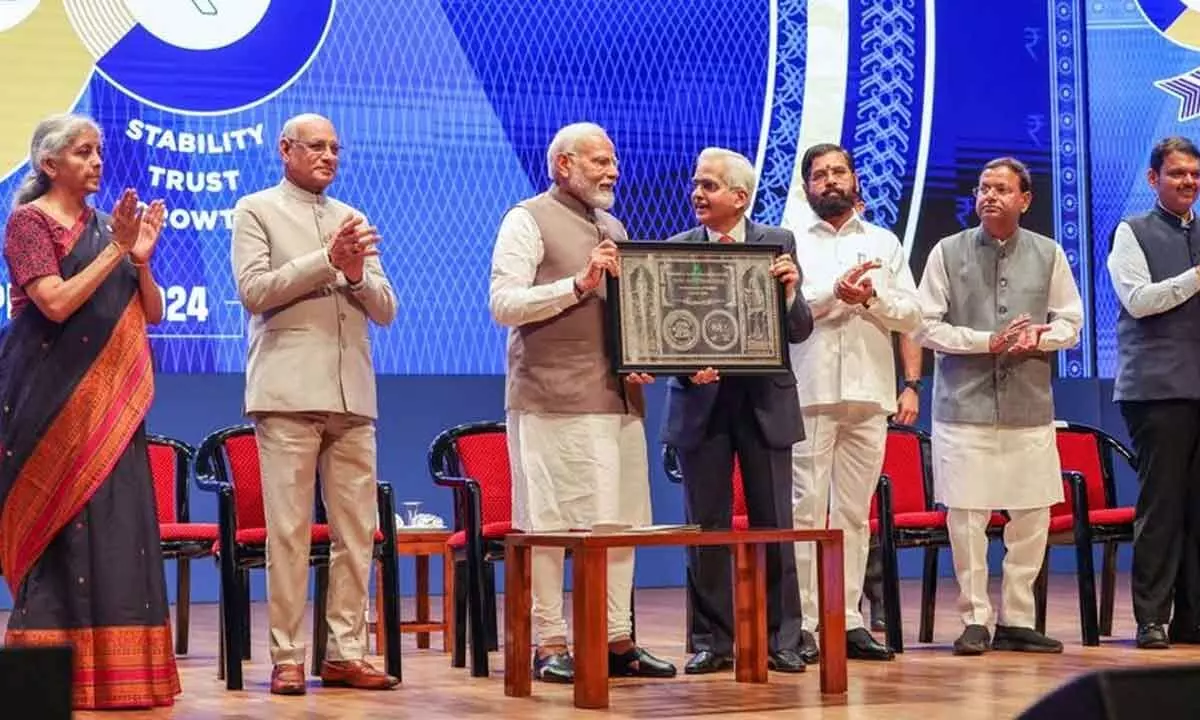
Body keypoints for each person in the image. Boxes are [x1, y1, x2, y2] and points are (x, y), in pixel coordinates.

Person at [0, 113, 180, 709]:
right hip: (49, 405)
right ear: (50, 165)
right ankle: (48, 680)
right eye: (83, 152)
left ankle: (122, 679)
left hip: (113, 412)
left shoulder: (111, 228)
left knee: (115, 534)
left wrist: (143, 260)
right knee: (60, 538)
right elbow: (52, 303)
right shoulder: (29, 222)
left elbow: (150, 314)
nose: (98, 162)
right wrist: (116, 255)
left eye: (99, 151)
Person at [488, 121, 676, 683]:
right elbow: (504, 303)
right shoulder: (526, 218)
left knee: (619, 525)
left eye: (613, 160)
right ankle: (550, 642)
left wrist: (638, 354)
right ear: (563, 166)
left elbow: (619, 312)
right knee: (552, 525)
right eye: (599, 161)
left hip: (618, 401)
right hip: (554, 399)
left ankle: (617, 639)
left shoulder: (612, 225)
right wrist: (576, 283)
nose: (612, 170)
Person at [231, 113, 398, 694]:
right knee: (290, 533)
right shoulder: (255, 209)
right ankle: (287, 657)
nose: (330, 156)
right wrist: (326, 260)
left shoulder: (352, 219)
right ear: (285, 150)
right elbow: (255, 290)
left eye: (336, 148)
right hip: (288, 392)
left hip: (353, 396)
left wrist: (353, 273)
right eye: (317, 147)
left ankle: (345, 653)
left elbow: (385, 308)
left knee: (357, 534)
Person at [915, 156, 1083, 655]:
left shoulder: (1049, 253)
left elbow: (1071, 322)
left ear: (1024, 200)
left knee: (1031, 515)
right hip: (962, 407)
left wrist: (1040, 335)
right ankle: (974, 618)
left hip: (1028, 406)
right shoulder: (947, 252)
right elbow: (925, 325)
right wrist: (985, 341)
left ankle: (1017, 618)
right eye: (983, 188)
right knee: (966, 516)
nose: (989, 196)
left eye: (1002, 189)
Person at [662, 147, 813, 675]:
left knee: (777, 525)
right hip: (701, 407)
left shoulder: (778, 244)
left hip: (765, 403)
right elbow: (664, 333)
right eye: (696, 184)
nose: (697, 194)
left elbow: (799, 330)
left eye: (708, 186)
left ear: (740, 197)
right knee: (705, 530)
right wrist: (686, 370)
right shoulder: (677, 249)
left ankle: (783, 640)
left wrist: (791, 293)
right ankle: (711, 641)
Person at [788, 144, 922, 663]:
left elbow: (911, 314)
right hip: (811, 390)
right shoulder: (791, 241)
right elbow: (787, 312)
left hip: (869, 392)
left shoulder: (884, 242)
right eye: (819, 175)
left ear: (854, 179)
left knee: (853, 514)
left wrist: (869, 298)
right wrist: (834, 297)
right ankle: (804, 624)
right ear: (806, 188)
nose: (830, 181)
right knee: (805, 511)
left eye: (838, 172)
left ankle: (846, 620)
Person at [1107, 136, 1200, 650]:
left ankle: (1193, 619)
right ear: (1153, 179)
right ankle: (1151, 618)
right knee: (1162, 506)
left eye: (1194, 175)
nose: (1188, 182)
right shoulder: (1132, 231)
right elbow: (1139, 301)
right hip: (1158, 389)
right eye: (1177, 174)